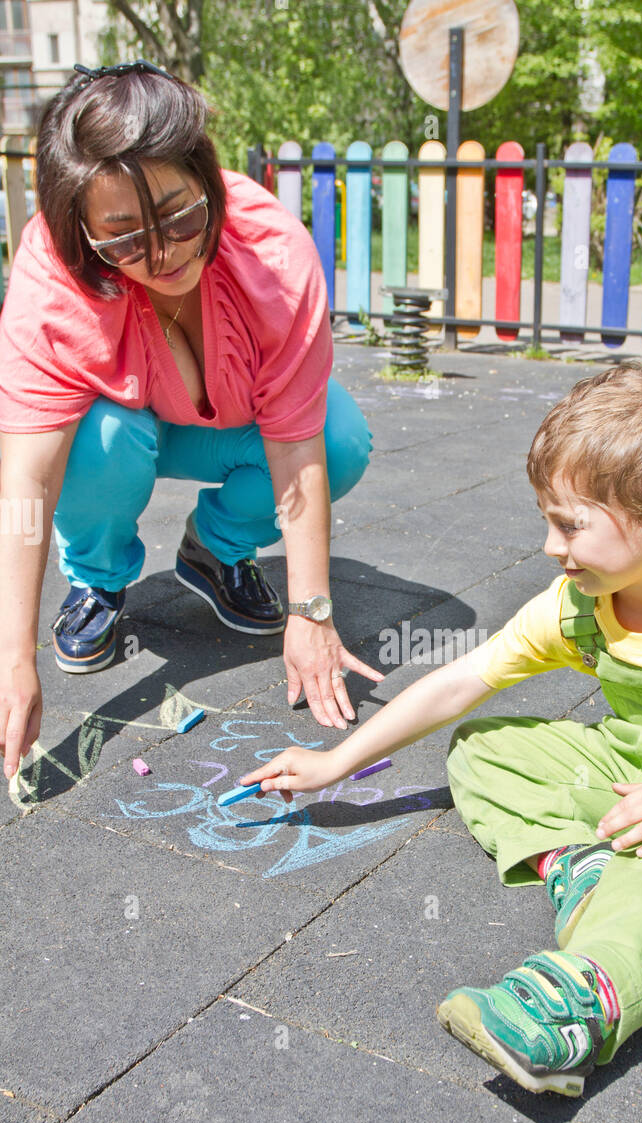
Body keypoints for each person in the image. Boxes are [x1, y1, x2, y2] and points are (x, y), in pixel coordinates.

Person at [236, 362, 642, 1097]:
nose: (552, 546)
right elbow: (464, 682)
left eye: (570, 524)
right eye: (547, 520)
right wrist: (336, 763)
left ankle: (581, 1001)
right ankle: (581, 866)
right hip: (636, 769)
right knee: (484, 750)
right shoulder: (581, 602)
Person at [0, 60, 381, 784]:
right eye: (123, 239)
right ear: (81, 234)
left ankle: (215, 550)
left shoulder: (269, 254)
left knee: (339, 439)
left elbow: (299, 448)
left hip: (234, 427)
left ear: (207, 177)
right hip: (121, 434)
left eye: (179, 216)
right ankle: (97, 580)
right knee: (99, 440)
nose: (164, 253)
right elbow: (25, 474)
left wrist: (312, 611)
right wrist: (10, 657)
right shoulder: (54, 273)